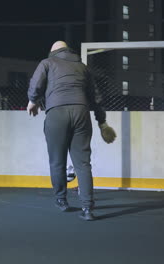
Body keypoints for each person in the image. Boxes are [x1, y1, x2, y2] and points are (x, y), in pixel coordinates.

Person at [27, 41, 116, 221]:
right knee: (83, 163)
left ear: (53, 52)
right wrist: (102, 123)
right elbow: (96, 97)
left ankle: (61, 200)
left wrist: (32, 100)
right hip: (81, 113)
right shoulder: (83, 67)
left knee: (57, 161)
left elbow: (36, 83)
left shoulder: (47, 63)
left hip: (57, 113)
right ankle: (87, 208)